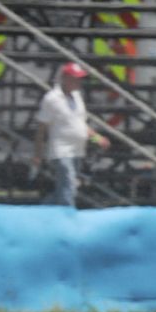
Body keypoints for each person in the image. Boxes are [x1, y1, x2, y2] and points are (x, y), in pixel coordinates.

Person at [33, 62, 107, 207]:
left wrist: (96, 138)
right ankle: (68, 214)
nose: (78, 82)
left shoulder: (77, 97)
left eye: (79, 79)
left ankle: (41, 211)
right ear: (65, 78)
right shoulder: (52, 98)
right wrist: (38, 154)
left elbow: (81, 123)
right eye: (75, 78)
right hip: (61, 151)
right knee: (68, 184)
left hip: (77, 150)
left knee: (67, 187)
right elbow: (41, 127)